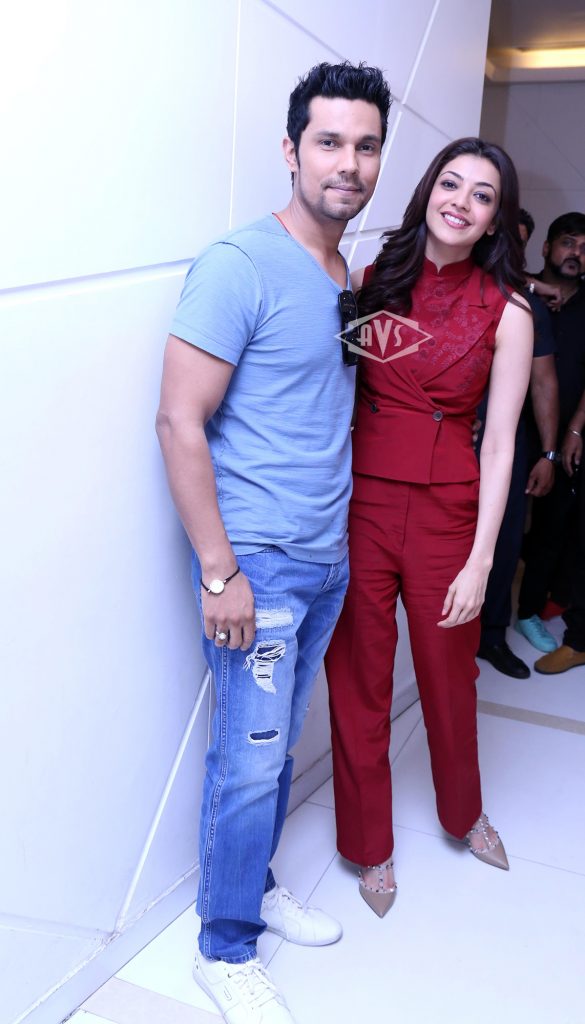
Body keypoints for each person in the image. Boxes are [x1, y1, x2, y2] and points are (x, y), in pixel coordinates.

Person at [156, 62, 391, 1023]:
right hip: (256, 565)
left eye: (365, 145)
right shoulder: (238, 263)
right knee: (248, 760)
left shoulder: (346, 277)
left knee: (276, 747)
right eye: (328, 142)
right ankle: (224, 947)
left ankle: (249, 887)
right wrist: (221, 572)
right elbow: (178, 421)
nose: (348, 163)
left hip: (324, 559)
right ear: (291, 151)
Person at [325, 137, 533, 918]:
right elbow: (336, 392)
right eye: (450, 183)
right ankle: (368, 845)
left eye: (481, 195)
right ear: (427, 192)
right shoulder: (373, 280)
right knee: (357, 678)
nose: (461, 202)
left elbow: (501, 442)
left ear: (494, 220)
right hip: (361, 506)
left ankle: (463, 812)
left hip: (448, 512)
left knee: (449, 679)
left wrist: (481, 560)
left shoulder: (508, 309)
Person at [476, 208, 559, 678]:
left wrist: (548, 452)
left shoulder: (527, 306)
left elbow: (544, 383)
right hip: (447, 443)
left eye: (519, 242)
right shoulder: (451, 293)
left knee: (505, 543)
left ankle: (491, 636)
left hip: (507, 444)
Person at [515, 213, 585, 654]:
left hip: (563, 438)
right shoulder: (520, 291)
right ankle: (481, 616)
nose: (576, 253)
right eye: (568, 242)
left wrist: (575, 429)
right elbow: (491, 271)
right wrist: (534, 285)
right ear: (546, 248)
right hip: (511, 429)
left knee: (551, 526)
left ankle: (527, 611)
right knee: (499, 526)